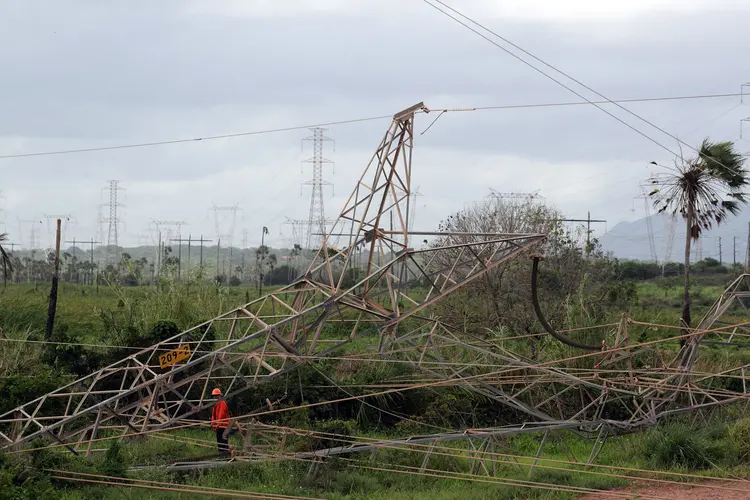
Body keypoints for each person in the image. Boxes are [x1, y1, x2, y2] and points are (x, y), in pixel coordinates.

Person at [210, 388, 231, 457]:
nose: (215, 397)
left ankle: (225, 456)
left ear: (220, 395)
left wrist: (218, 424)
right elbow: (214, 415)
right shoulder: (216, 404)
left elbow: (221, 414)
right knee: (219, 441)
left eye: (216, 395)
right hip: (219, 426)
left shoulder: (222, 403)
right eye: (214, 396)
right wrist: (213, 423)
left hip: (224, 426)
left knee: (224, 441)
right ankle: (221, 455)